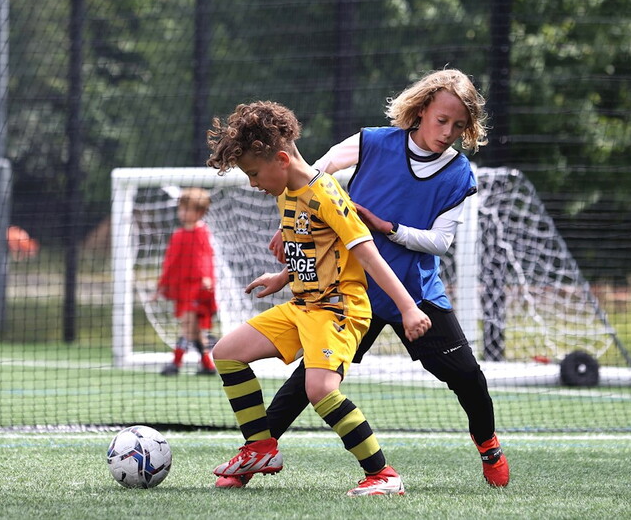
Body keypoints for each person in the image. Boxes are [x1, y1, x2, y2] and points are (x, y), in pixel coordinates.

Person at [217, 69, 510, 489]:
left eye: (459, 125)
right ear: (421, 110)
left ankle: (488, 446)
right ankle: (255, 456)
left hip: (414, 293)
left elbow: (440, 242)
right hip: (355, 291)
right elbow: (317, 168)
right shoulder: (374, 141)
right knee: (308, 382)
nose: (448, 132)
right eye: (441, 120)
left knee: (468, 378)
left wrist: (387, 227)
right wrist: (296, 219)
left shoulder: (459, 174)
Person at [205, 100, 432, 496]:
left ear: (281, 159)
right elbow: (314, 249)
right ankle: (260, 449)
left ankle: (383, 474)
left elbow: (368, 255)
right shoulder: (285, 192)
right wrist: (281, 277)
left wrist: (408, 308)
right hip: (303, 307)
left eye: (254, 173)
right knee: (227, 352)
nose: (253, 183)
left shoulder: (325, 194)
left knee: (320, 390)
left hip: (339, 309)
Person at [157, 187, 218, 376]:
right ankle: (207, 365)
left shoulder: (201, 233)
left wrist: (206, 277)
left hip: (198, 288)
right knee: (195, 329)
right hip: (183, 289)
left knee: (188, 326)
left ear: (200, 212)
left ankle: (175, 363)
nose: (183, 213)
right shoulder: (178, 235)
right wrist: (163, 285)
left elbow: (205, 257)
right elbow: (171, 262)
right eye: (181, 209)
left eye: (187, 209)